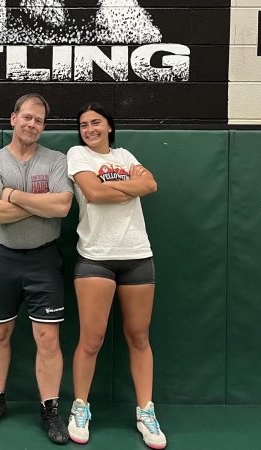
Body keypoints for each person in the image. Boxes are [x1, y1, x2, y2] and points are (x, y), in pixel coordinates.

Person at [0, 93, 73, 444]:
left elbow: (62, 207)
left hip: (44, 259)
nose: (33, 125)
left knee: (47, 338)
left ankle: (50, 409)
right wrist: (40, 205)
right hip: (1, 257)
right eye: (27, 117)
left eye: (40, 120)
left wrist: (12, 196)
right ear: (13, 118)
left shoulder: (57, 161)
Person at [66, 102, 166, 449]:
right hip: (96, 258)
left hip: (138, 256)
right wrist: (129, 185)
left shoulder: (125, 154)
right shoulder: (78, 156)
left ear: (110, 126)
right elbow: (92, 193)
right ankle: (80, 407)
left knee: (139, 338)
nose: (89, 129)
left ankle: (145, 411)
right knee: (91, 340)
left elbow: (151, 185)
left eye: (95, 122)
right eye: (83, 124)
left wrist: (121, 187)